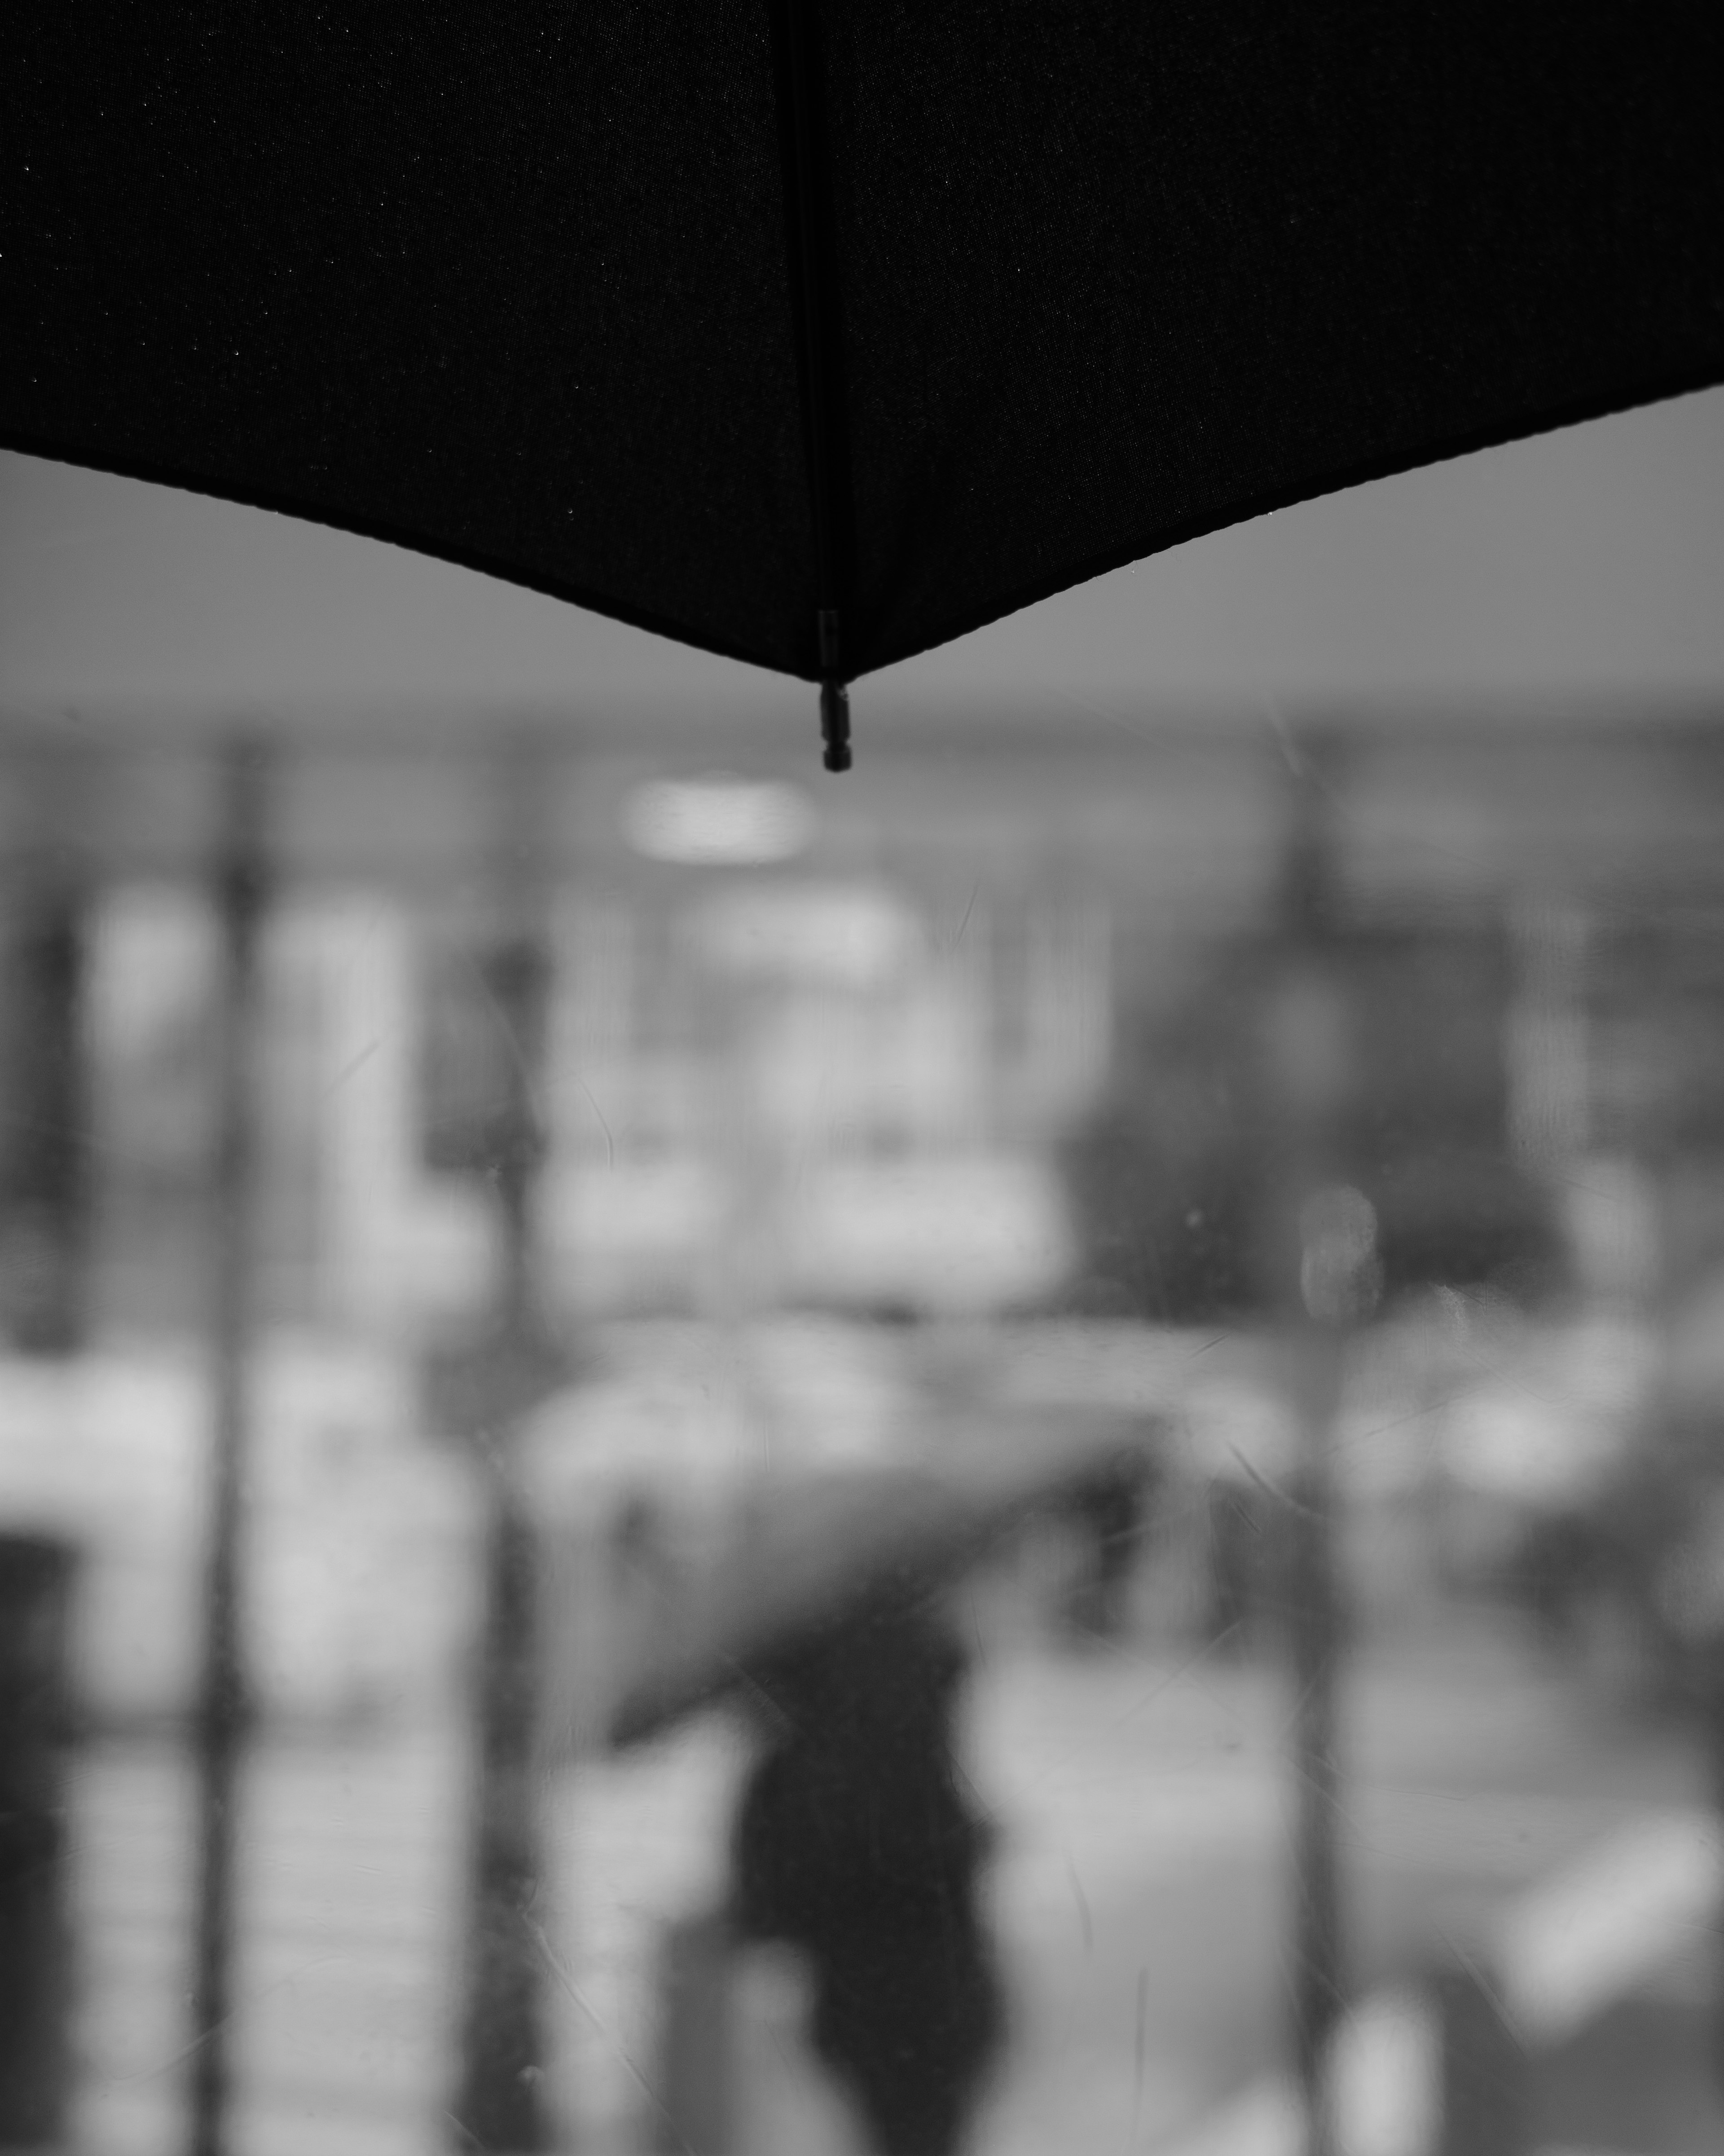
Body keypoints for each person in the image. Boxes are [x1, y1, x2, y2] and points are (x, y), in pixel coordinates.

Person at [729, 1594, 1005, 2156]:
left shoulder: (794, 1771)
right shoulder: (911, 1734)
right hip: (934, 2006)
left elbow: (764, 1914)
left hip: (877, 2015)